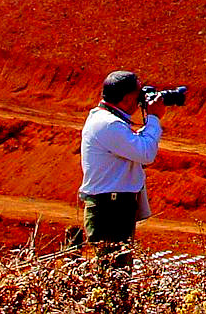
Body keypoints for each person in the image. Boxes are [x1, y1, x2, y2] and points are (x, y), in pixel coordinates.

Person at [79, 70, 165, 268]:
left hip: (114, 207)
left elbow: (134, 147)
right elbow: (145, 153)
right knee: (114, 273)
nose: (141, 99)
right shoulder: (108, 124)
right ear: (126, 99)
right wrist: (153, 118)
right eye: (138, 94)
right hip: (110, 210)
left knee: (117, 272)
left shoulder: (107, 121)